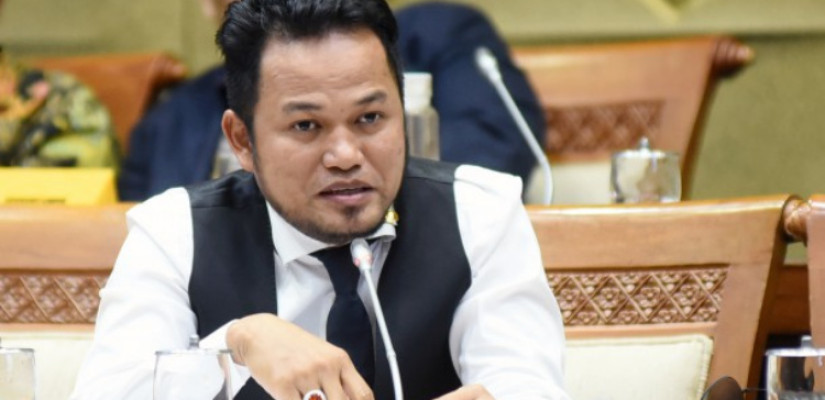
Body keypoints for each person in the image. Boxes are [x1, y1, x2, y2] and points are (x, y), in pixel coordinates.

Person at [71, 0, 568, 399]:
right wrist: (236, 344)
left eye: (370, 119)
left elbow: (525, 383)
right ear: (242, 140)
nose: (346, 155)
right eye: (306, 126)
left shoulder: (479, 212)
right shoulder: (174, 230)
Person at [116, 0, 545, 201]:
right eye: (305, 123)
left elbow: (488, 165)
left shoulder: (440, 37)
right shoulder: (169, 120)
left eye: (369, 116)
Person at [0, 48, 118, 167]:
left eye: (4, 75)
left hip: (74, 164)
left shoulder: (53, 87)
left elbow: (95, 133)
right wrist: (12, 119)